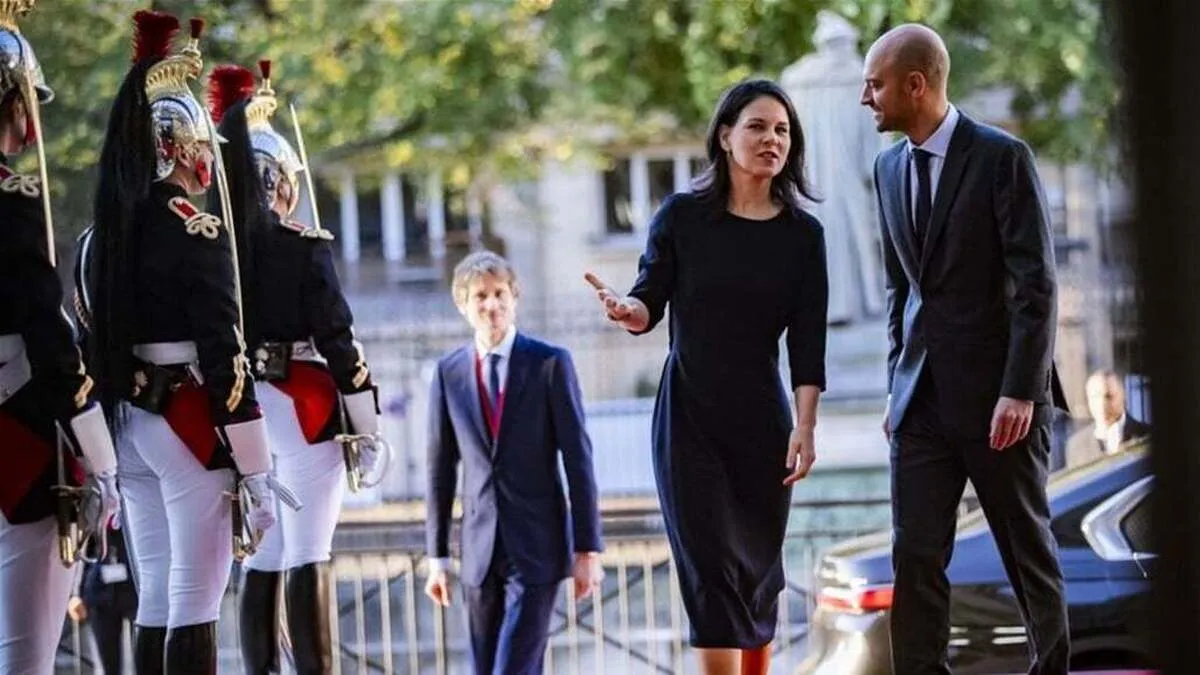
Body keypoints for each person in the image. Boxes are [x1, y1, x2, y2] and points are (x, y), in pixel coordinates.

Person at [587, 78, 828, 675]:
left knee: (758, 576)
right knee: (712, 573)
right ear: (724, 137)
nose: (772, 139)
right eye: (757, 126)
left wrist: (805, 427)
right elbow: (649, 300)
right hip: (689, 421)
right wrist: (628, 309)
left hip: (764, 424)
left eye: (782, 130)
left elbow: (808, 343)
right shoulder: (681, 217)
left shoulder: (804, 236)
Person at [81, 11, 290, 672]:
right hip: (189, 423)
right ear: (182, 150)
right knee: (196, 600)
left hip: (132, 426)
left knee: (157, 600)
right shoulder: (194, 230)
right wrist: (256, 467)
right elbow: (226, 360)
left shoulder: (101, 238)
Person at [861, 24, 1071, 674]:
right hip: (920, 405)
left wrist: (1020, 390)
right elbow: (900, 289)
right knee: (915, 556)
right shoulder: (886, 168)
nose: (866, 98)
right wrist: (896, 386)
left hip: (999, 404)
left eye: (874, 85)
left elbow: (1037, 284)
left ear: (914, 85)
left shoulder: (1002, 157)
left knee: (1026, 553)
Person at [207, 61, 385, 675]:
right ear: (280, 184)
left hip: (243, 412)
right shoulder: (303, 247)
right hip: (302, 407)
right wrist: (367, 423)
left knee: (266, 554)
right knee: (310, 550)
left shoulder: (217, 249)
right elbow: (340, 342)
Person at [0, 2, 121, 672]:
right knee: (25, 658)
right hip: (17, 444)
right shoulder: (12, 199)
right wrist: (100, 462)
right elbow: (50, 344)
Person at [425, 251, 604, 675]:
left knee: (512, 668)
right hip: (478, 552)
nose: (492, 305)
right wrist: (437, 559)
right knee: (486, 667)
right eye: (480, 296)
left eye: (500, 293)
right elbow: (439, 471)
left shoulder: (549, 364)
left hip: (537, 549)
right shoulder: (448, 373)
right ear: (463, 305)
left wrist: (588, 549)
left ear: (514, 297)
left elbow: (579, 461)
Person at [68, 524, 138, 675]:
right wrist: (76, 593)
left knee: (141, 655)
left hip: (134, 590)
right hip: (99, 594)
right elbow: (81, 555)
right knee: (107, 660)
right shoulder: (94, 519)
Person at [1063, 369, 1151, 468]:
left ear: (1123, 395)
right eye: (1095, 397)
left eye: (1108, 396)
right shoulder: (1076, 446)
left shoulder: (1147, 436)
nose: (1102, 404)